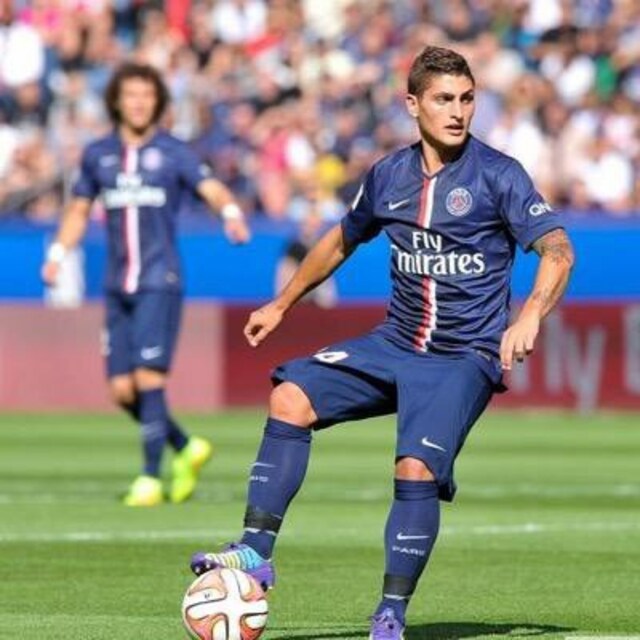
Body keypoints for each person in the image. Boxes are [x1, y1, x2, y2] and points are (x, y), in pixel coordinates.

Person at [189, 46, 574, 638]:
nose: (458, 111)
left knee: (415, 467)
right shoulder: (388, 175)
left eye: (467, 99)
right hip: (395, 343)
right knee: (290, 396)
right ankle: (255, 551)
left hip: (464, 356)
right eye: (444, 99)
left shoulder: (500, 175)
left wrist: (530, 316)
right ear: (412, 105)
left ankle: (391, 611)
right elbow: (341, 239)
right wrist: (282, 303)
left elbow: (558, 249)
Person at [41, 62, 250, 507]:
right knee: (122, 390)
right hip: (117, 283)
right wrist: (57, 255)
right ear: (116, 101)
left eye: (147, 95)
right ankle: (185, 446)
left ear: (158, 102)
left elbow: (211, 188)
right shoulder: (98, 154)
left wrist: (231, 214)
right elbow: (78, 210)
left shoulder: (173, 152)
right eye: (131, 95)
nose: (139, 103)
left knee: (148, 377)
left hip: (160, 278)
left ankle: (151, 478)